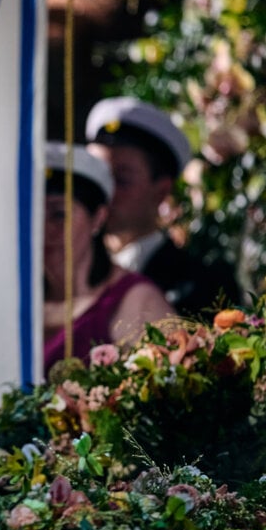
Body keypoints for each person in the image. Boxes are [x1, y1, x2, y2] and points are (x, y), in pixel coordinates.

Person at [85, 96, 241, 318]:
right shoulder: (68, 271)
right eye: (99, 177)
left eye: (122, 179)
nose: (106, 193)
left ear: (160, 192)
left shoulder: (204, 285)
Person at [42, 142, 172, 378]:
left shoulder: (135, 300)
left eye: (58, 214)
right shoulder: (12, 300)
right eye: (34, 216)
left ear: (98, 218)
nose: (44, 230)